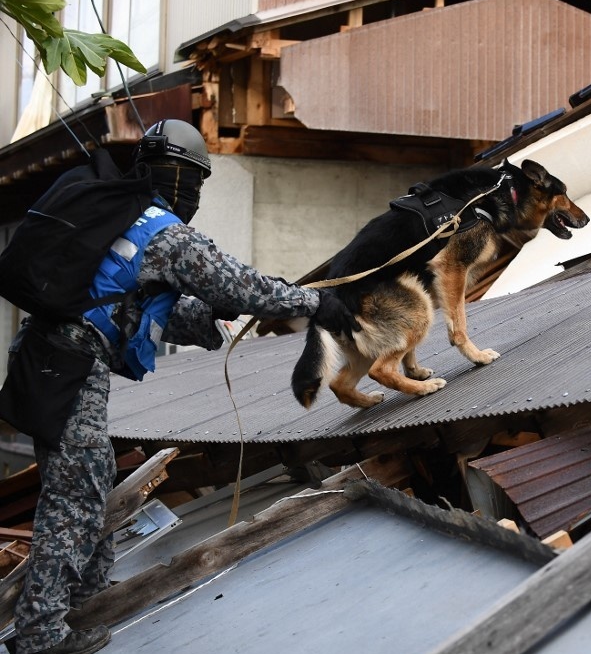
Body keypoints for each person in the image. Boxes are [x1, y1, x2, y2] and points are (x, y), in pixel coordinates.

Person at [4, 119, 358, 654]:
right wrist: (313, 303)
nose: (192, 194)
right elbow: (238, 282)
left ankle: (82, 599)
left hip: (53, 358)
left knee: (90, 480)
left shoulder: (124, 223)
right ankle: (39, 632)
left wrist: (208, 316)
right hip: (69, 364)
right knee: (75, 494)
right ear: (179, 176)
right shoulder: (162, 230)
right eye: (192, 181)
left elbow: (139, 312)